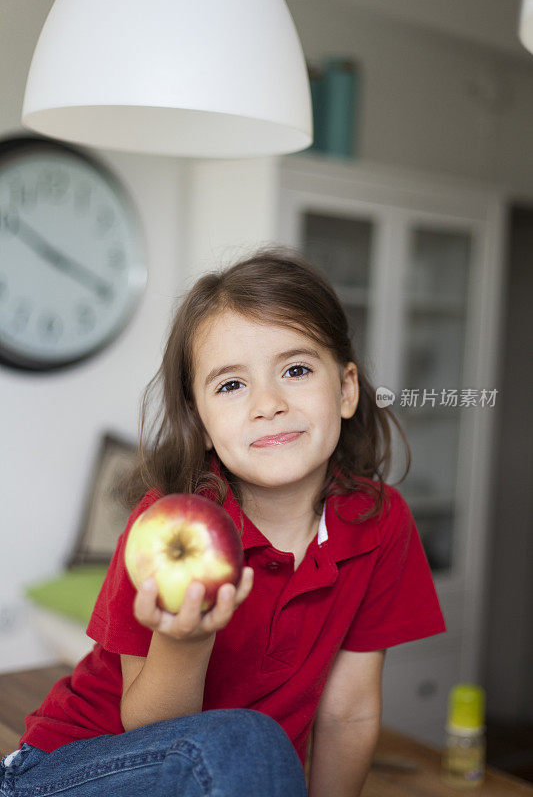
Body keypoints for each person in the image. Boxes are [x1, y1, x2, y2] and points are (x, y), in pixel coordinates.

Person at [1, 246, 446, 797]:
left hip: (226, 781)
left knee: (252, 747)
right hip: (73, 771)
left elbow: (348, 714)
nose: (268, 402)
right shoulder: (168, 529)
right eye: (231, 385)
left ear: (347, 389)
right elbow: (155, 732)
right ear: (204, 424)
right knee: (249, 741)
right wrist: (184, 642)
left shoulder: (379, 522)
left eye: (297, 369)